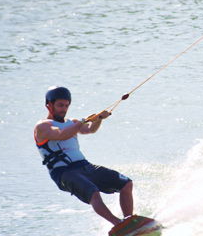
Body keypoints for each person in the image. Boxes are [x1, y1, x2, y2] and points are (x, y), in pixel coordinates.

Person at [34, 86, 133, 227]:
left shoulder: (72, 122)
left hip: (85, 166)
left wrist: (98, 118)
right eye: (60, 105)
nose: (64, 109)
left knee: (126, 184)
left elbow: (90, 129)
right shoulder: (43, 126)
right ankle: (118, 224)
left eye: (66, 105)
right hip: (64, 173)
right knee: (94, 193)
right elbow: (62, 135)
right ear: (49, 105)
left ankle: (130, 221)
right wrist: (83, 121)